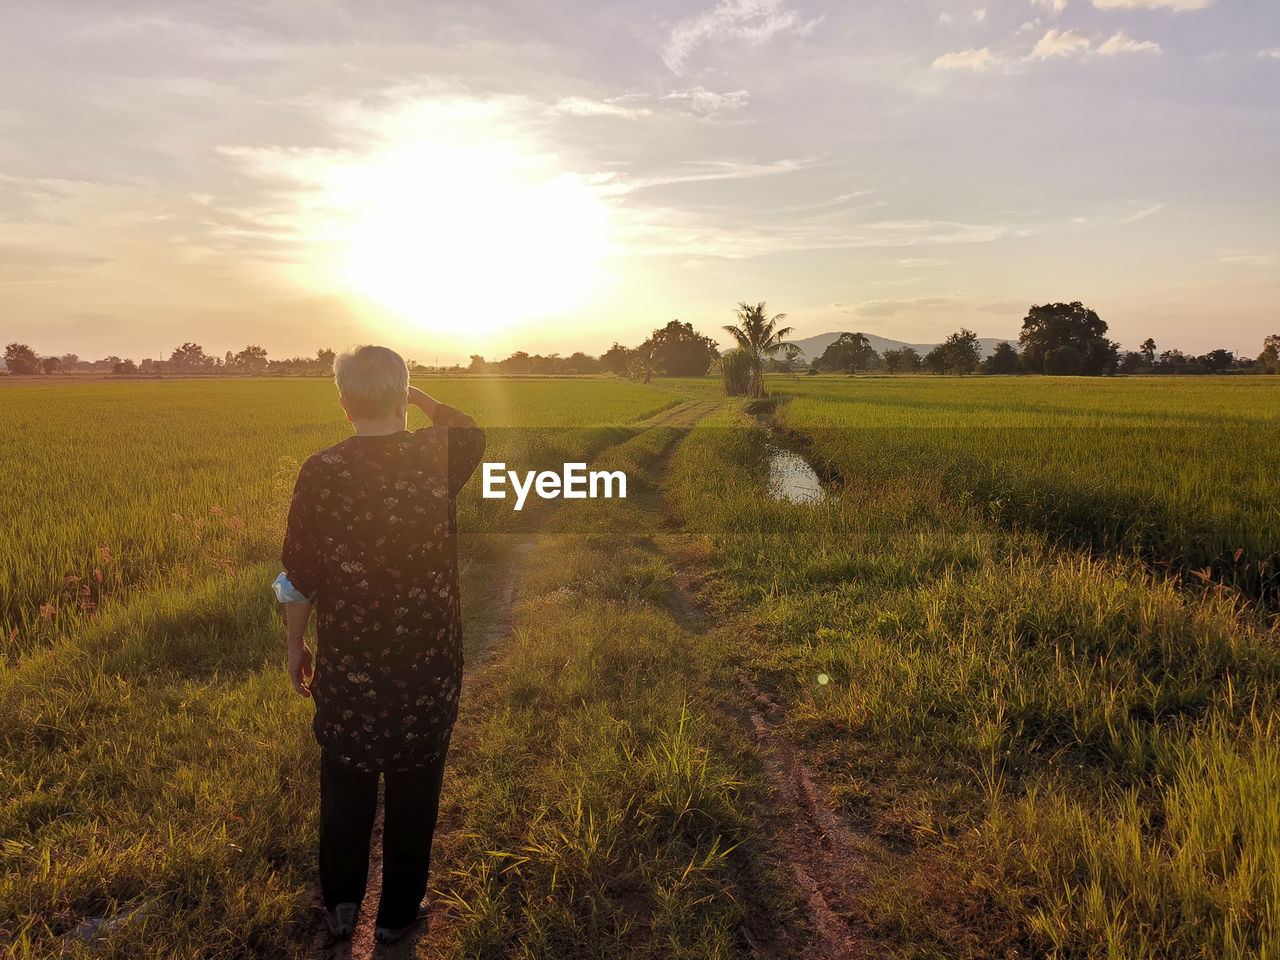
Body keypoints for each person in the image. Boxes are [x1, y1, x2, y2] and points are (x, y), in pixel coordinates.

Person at [274, 345, 486, 944]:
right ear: (401, 397)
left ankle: (342, 904)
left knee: (345, 785)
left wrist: (296, 646)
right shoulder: (436, 454)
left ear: (342, 404)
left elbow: (299, 575)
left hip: (350, 668)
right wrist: (417, 397)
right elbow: (471, 430)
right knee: (416, 790)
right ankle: (396, 915)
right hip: (429, 666)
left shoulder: (321, 471)